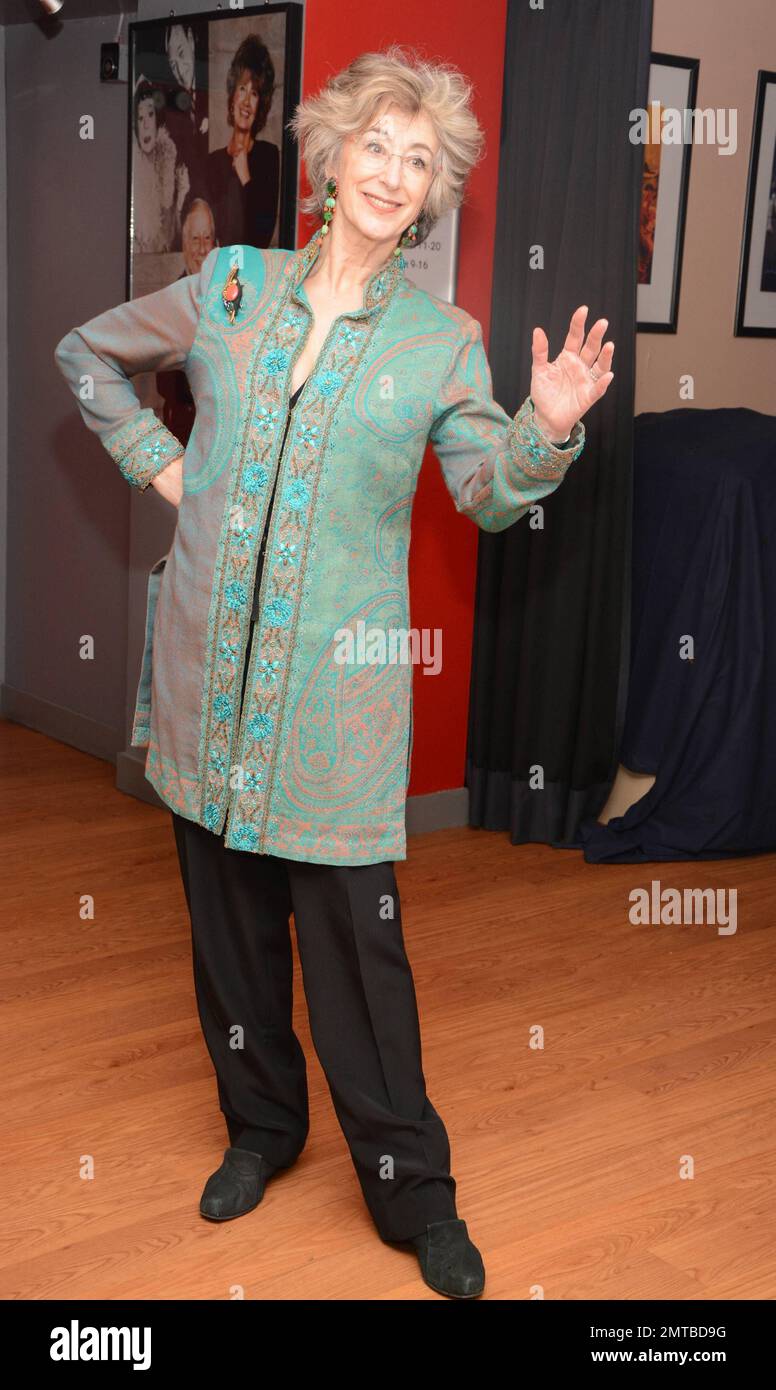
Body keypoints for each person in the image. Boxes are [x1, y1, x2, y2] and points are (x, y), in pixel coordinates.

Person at [53, 44, 613, 1300]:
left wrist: (549, 425)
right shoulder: (231, 287)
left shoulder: (440, 342)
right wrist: (166, 468)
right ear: (330, 155)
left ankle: (412, 1186)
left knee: (361, 953)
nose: (394, 173)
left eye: (420, 162)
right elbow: (87, 356)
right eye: (378, 145)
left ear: (429, 194)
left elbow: (485, 491)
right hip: (208, 675)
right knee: (227, 937)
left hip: (336, 704)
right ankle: (261, 1128)